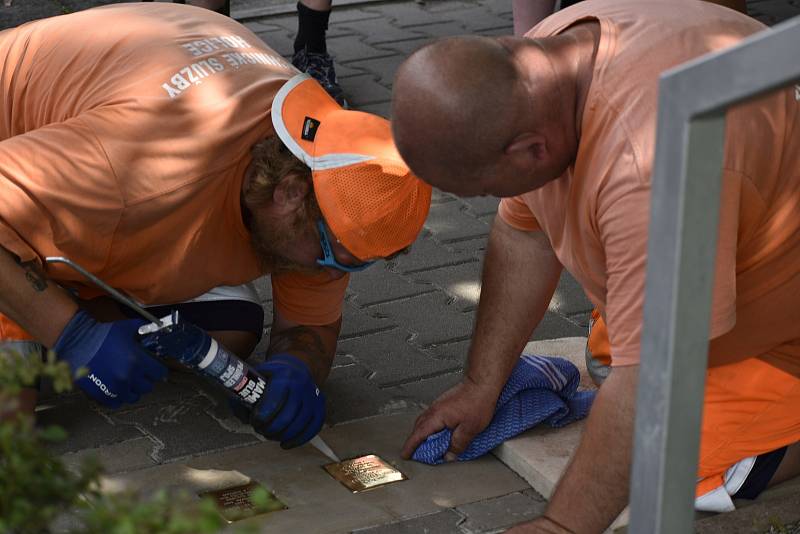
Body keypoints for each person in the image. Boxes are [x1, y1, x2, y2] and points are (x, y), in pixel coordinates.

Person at [390, 0, 800, 531]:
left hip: (782, 334)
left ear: (531, 149)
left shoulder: (651, 168)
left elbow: (651, 382)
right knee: (613, 370)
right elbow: (522, 232)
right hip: (729, 265)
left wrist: (562, 525)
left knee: (677, 467)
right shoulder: (546, 57)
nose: (493, 199)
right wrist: (480, 384)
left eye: (488, 185)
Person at [0, 2, 431, 450]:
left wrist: (298, 370)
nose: (329, 272)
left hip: (66, 192)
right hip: (28, 182)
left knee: (228, 334)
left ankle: (54, 304)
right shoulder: (149, 167)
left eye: (351, 265)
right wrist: (73, 334)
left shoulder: (323, 162)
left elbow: (309, 328)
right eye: (328, 254)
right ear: (288, 194)